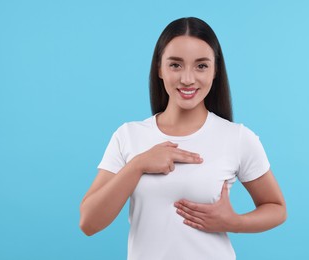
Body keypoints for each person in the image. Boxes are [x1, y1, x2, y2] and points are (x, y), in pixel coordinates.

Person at [79, 17, 287, 260]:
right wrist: (138, 164)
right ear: (159, 68)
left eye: (201, 66)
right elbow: (89, 222)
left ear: (215, 70)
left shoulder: (237, 137)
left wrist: (234, 222)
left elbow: (276, 208)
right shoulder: (129, 135)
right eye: (175, 65)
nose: (188, 79)